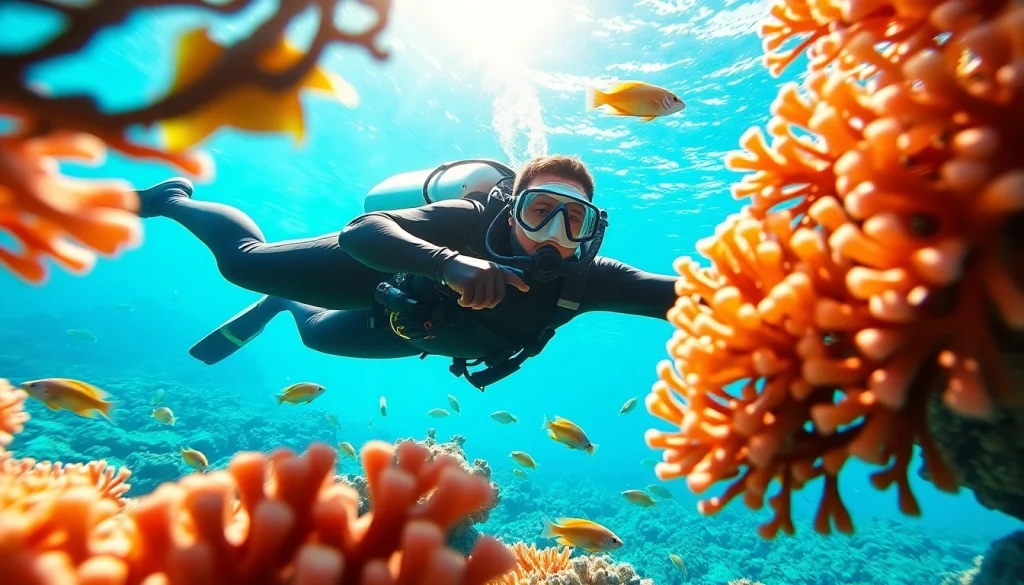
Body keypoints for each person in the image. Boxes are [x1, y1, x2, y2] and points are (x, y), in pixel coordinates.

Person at [134, 154, 680, 390]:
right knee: (242, 263)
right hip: (385, 278)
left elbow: (690, 297)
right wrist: (449, 263)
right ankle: (171, 197)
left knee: (315, 337)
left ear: (592, 229)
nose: (554, 233)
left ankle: (285, 303)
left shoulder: (589, 280)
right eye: (540, 211)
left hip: (417, 331)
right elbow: (363, 231)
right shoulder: (469, 219)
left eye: (574, 219)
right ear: (513, 209)